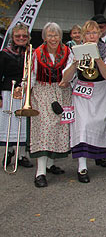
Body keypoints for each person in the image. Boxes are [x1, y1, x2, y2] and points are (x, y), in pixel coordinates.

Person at [61, 20, 106, 183]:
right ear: (83, 36)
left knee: (100, 125)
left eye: (94, 33)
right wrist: (74, 63)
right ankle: (82, 166)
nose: (91, 36)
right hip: (82, 91)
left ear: (99, 34)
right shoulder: (74, 50)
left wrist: (98, 59)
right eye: (88, 33)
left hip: (101, 90)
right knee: (82, 125)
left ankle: (100, 156)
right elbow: (66, 77)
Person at [30, 22, 72, 187]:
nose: (53, 38)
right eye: (50, 35)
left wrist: (68, 81)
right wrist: (25, 89)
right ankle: (40, 172)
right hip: (42, 91)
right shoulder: (36, 53)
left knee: (59, 127)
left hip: (61, 91)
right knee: (45, 128)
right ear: (44, 37)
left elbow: (71, 72)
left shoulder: (68, 52)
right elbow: (32, 74)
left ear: (60, 37)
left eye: (56, 35)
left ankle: (50, 164)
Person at [0, 23, 33, 169]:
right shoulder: (4, 53)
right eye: (18, 36)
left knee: (24, 123)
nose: (21, 38)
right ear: (13, 37)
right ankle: (9, 151)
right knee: (9, 122)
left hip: (26, 91)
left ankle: (22, 155)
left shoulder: (32, 53)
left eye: (24, 36)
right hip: (9, 90)